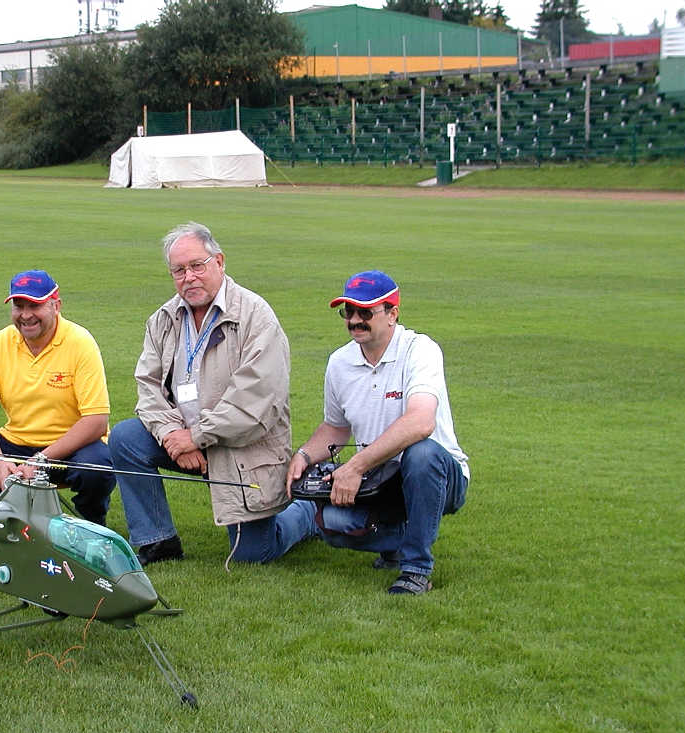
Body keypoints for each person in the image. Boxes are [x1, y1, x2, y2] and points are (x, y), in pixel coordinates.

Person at [108, 222, 317, 566]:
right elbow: (148, 386)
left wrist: (197, 437)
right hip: (185, 440)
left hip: (240, 449)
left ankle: (307, 513)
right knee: (126, 437)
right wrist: (172, 433)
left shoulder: (256, 316)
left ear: (219, 262)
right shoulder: (163, 318)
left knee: (254, 554)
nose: (188, 277)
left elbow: (257, 403)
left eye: (197, 266)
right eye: (178, 270)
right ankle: (157, 540)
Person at [284, 270, 469, 594]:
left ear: (392, 314)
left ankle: (416, 569)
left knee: (421, 453)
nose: (355, 320)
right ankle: (397, 540)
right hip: (378, 478)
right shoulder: (339, 362)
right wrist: (303, 455)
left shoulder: (420, 350)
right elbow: (335, 427)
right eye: (348, 312)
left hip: (437, 475)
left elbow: (421, 422)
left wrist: (355, 466)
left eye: (365, 312)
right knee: (333, 527)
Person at [0, 269, 115, 525]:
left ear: (56, 305)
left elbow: (96, 421)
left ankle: (90, 522)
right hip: (17, 442)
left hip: (70, 448)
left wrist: (41, 460)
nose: (26, 315)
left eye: (35, 305)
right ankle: (19, 512)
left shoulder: (80, 342)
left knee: (97, 468)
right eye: (19, 306)